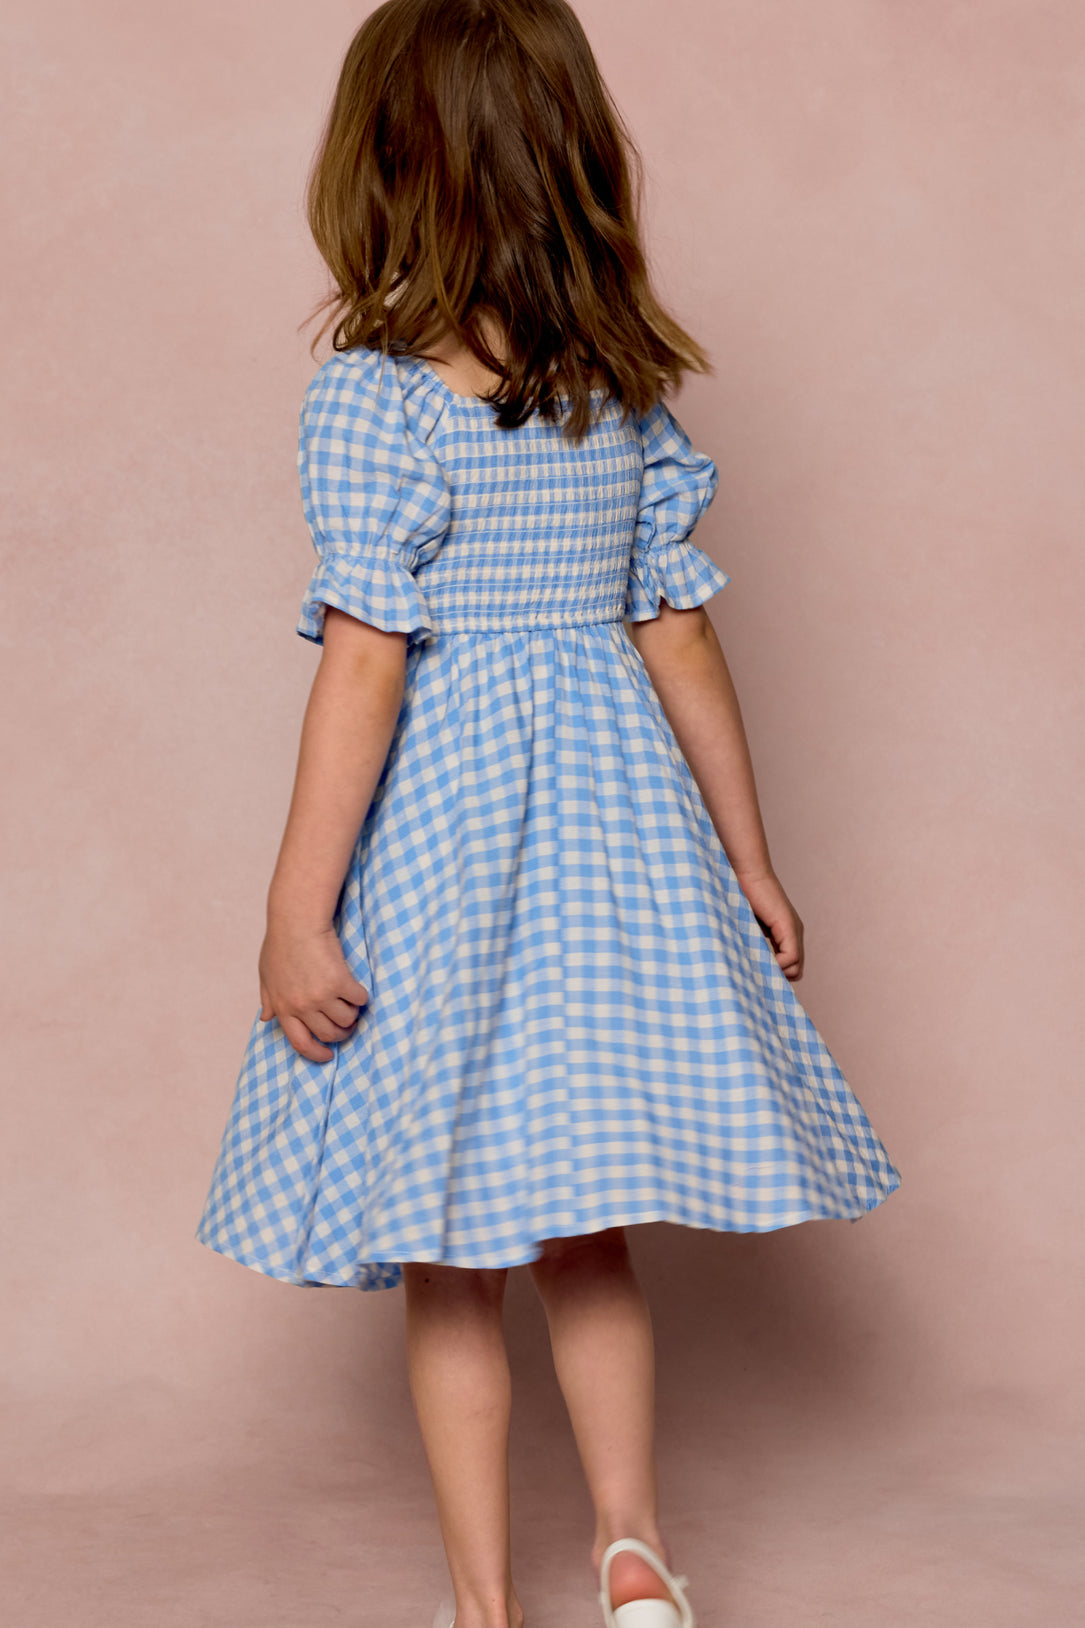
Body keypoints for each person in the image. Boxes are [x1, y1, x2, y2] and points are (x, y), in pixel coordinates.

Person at [195, 3, 902, 1625]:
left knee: (454, 1248)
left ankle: (482, 1608)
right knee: (587, 1228)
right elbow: (677, 632)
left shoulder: (377, 401)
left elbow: (367, 662)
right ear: (565, 154)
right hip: (610, 838)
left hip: (447, 841)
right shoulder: (615, 390)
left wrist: (296, 909)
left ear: (387, 163)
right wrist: (747, 860)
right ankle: (633, 1557)